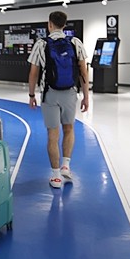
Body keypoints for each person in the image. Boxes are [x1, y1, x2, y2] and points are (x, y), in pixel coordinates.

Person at [27, 11, 89, 189]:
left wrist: (31, 95)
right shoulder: (75, 43)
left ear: (50, 24)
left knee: (52, 135)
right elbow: (84, 72)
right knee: (69, 129)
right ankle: (66, 166)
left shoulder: (41, 44)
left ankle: (55, 176)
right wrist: (86, 96)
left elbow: (33, 73)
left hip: (50, 94)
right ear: (65, 24)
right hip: (70, 92)